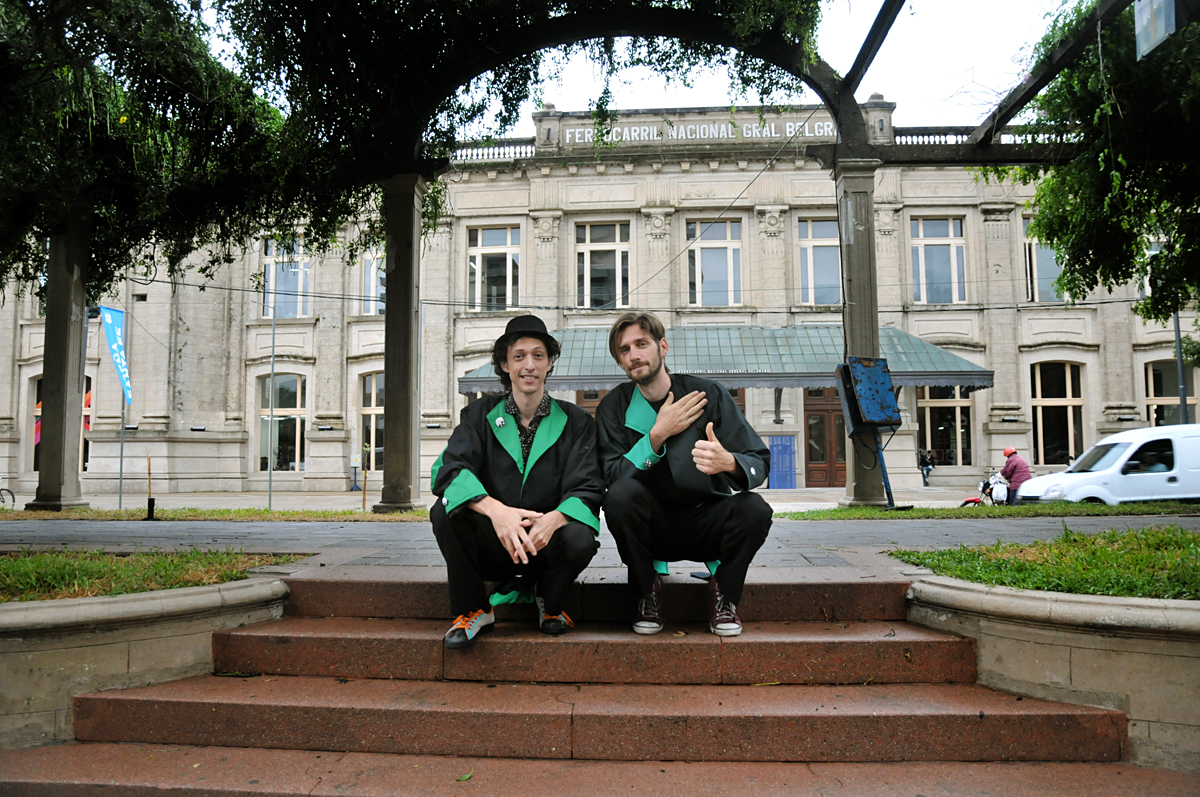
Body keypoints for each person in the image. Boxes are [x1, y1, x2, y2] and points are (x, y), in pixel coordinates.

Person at [430, 315, 603, 648]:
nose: (529, 365)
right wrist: (497, 512)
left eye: (538, 355)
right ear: (504, 364)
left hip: (545, 544)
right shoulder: (479, 414)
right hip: (495, 541)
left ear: (550, 363)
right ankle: (475, 610)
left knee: (581, 535)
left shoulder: (577, 422)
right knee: (444, 511)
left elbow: (589, 485)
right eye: (519, 355)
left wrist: (555, 519)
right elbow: (448, 468)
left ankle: (548, 601)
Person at [596, 312, 772, 637]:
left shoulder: (708, 394)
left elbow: (758, 462)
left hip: (707, 522)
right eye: (624, 350)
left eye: (641, 344)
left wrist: (728, 461)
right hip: (651, 529)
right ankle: (646, 591)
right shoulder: (613, 407)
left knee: (755, 508)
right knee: (619, 497)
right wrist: (655, 437)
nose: (634, 355)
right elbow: (610, 475)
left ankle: (724, 594)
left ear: (662, 346)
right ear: (620, 361)